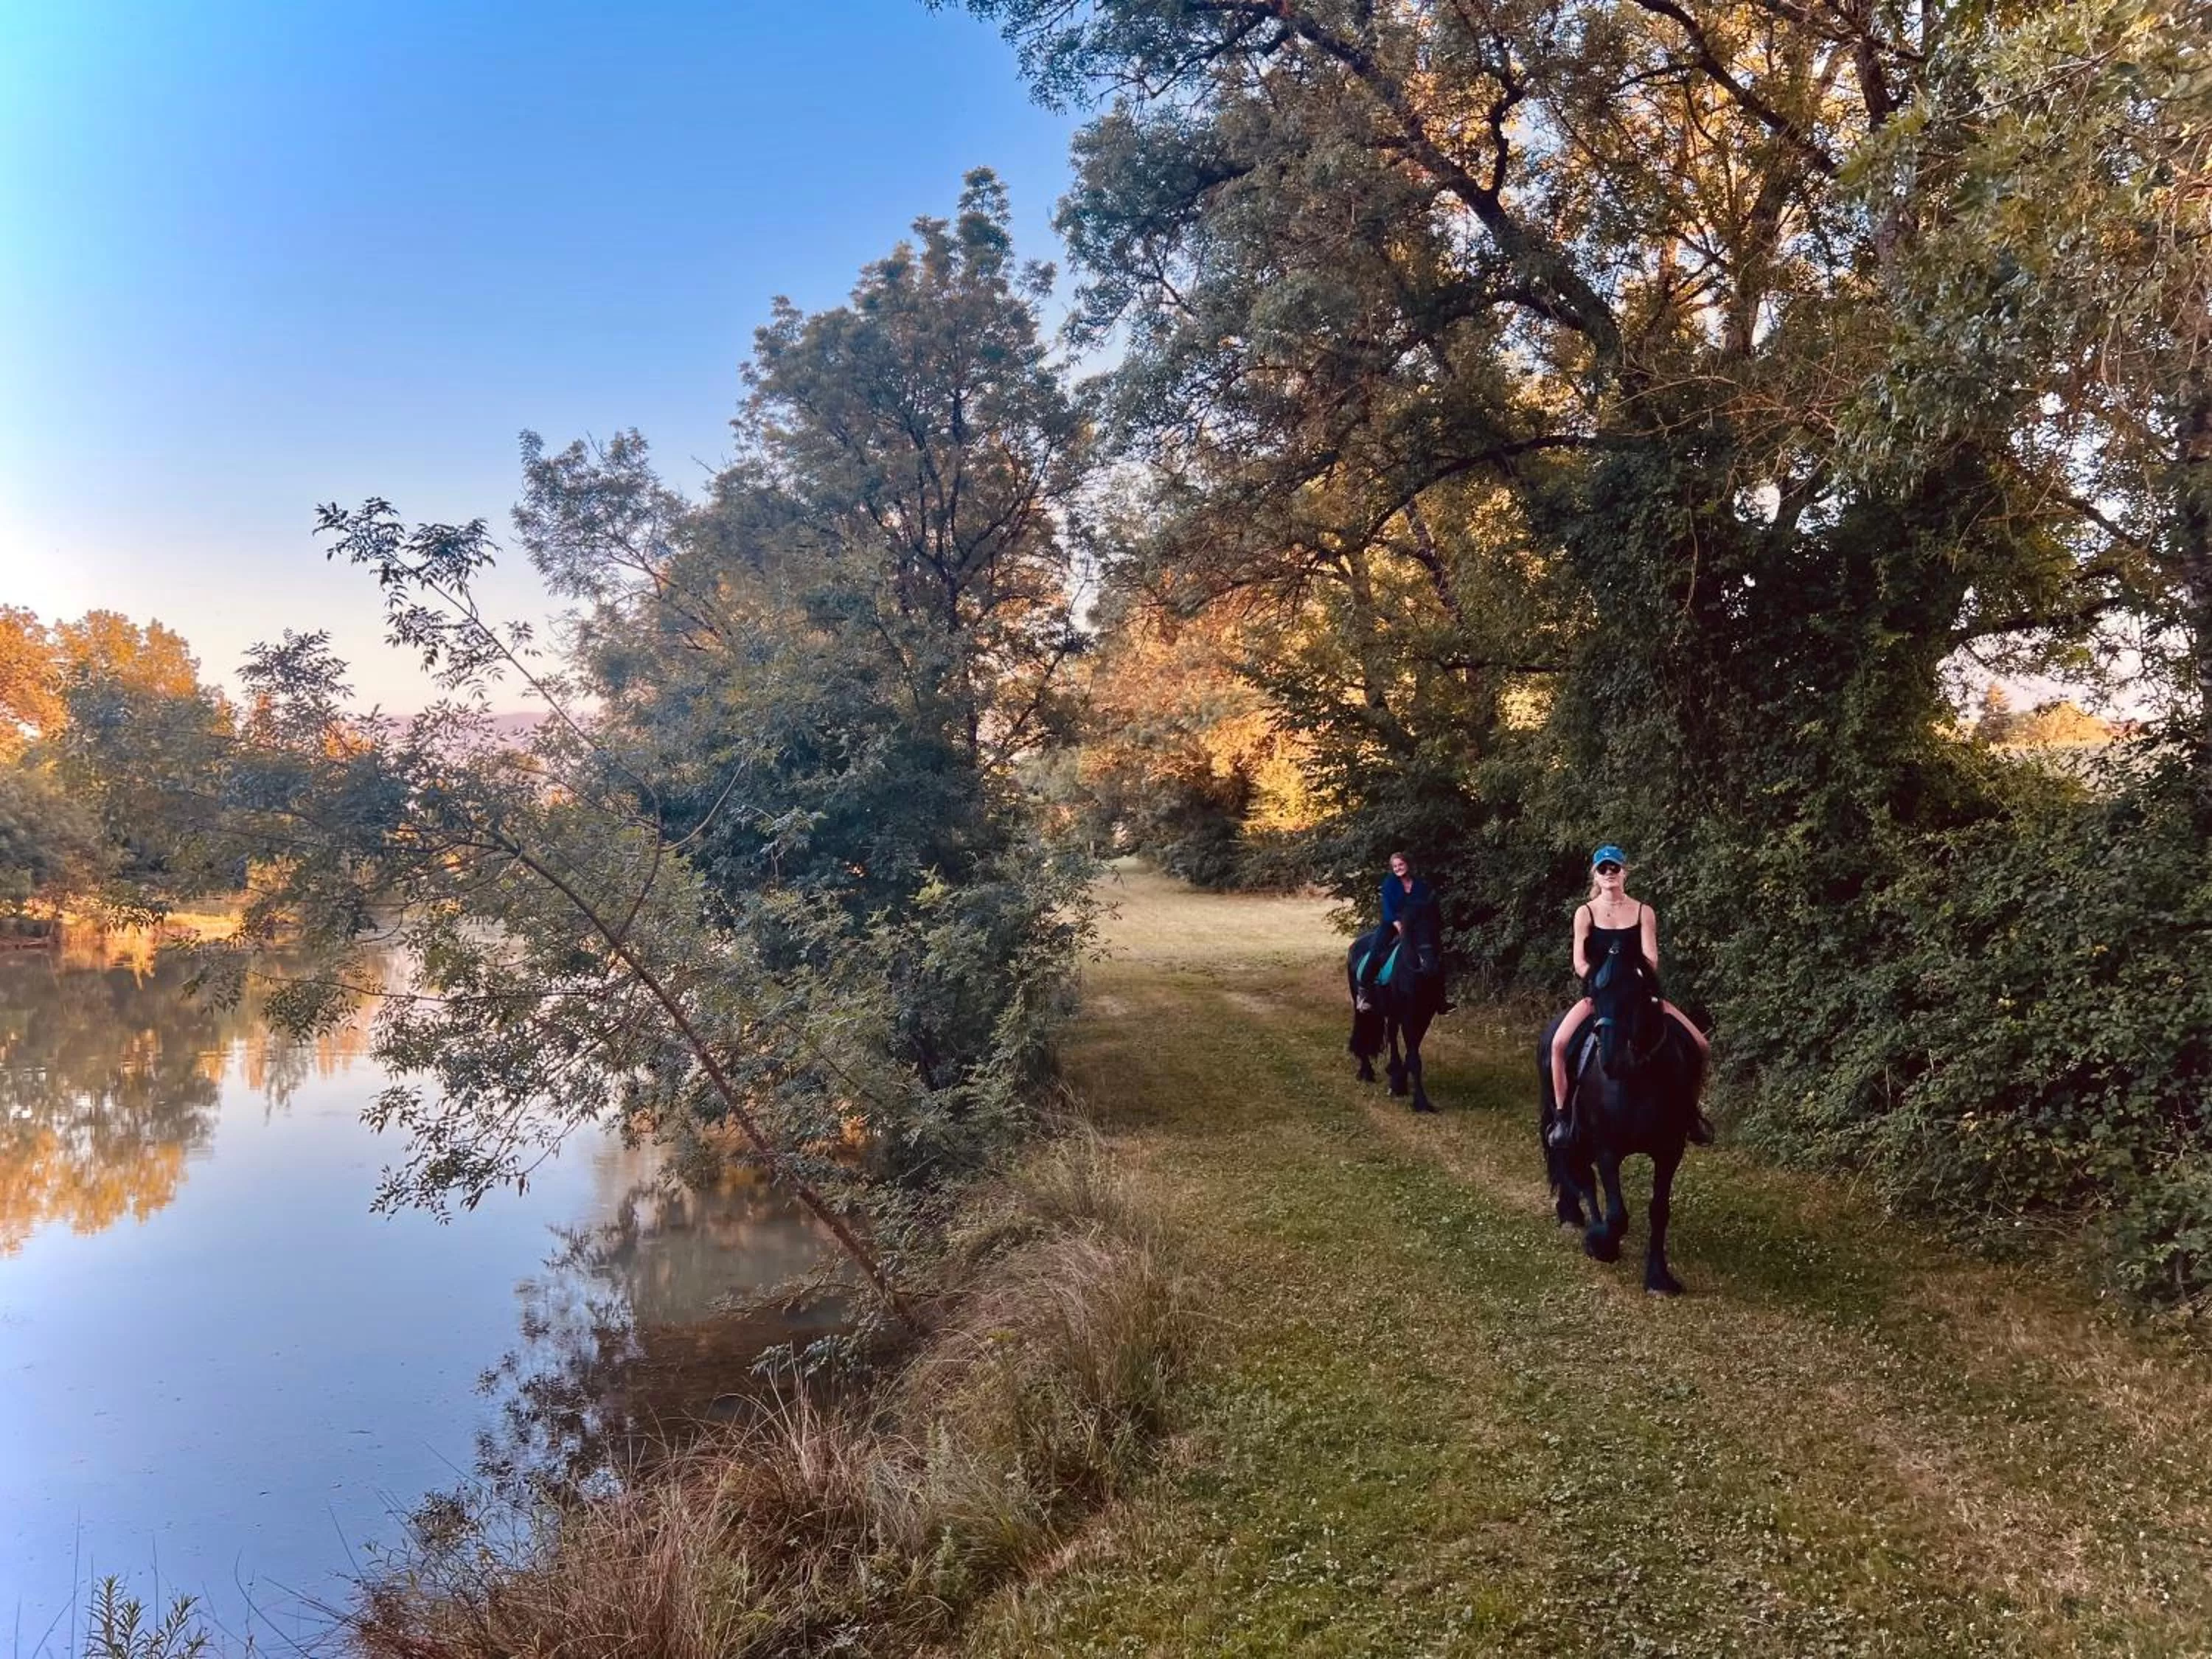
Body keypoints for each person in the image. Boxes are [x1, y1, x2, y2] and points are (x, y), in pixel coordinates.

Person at [1546, 844, 1711, 1140]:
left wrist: (1631, 982)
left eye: (1615, 868)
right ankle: (1562, 1119)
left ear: (1625, 872)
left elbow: (1651, 958)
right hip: (1599, 995)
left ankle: (1691, 1115)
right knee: (1558, 1045)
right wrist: (1601, 983)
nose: (1609, 873)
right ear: (1595, 876)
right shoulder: (1584, 913)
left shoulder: (1643, 911)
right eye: (1603, 869)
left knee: (1700, 1045)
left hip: (1638, 995)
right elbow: (1579, 961)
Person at [1354, 851, 1430, 1012]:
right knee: (1376, 951)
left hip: (1415, 926)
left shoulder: (1420, 885)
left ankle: (1439, 997)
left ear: (1407, 864)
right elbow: (1387, 908)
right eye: (1395, 866)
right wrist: (1397, 924)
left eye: (1401, 864)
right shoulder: (1389, 883)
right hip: (1391, 924)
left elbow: (1423, 907)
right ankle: (1364, 991)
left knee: (1432, 951)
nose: (1398, 868)